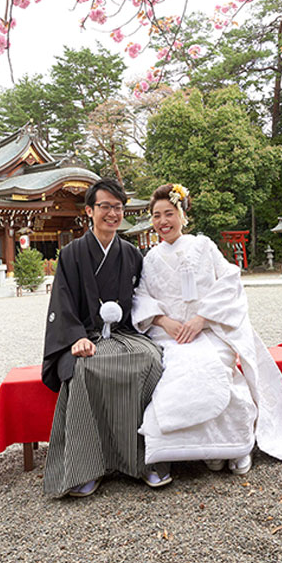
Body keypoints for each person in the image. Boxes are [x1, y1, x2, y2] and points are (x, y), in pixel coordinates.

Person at [131, 183, 282, 473]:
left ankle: (237, 444)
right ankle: (198, 451)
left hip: (210, 330)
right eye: (156, 215)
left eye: (169, 213)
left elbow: (229, 280)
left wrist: (203, 318)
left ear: (182, 214)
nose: (162, 222)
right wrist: (163, 321)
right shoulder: (150, 259)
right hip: (171, 336)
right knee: (176, 370)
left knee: (216, 367)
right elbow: (141, 297)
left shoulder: (203, 246)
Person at [42, 178, 171, 497]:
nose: (113, 214)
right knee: (85, 367)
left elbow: (144, 298)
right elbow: (62, 301)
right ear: (89, 211)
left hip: (126, 332)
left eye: (118, 207)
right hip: (85, 335)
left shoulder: (131, 254)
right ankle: (87, 467)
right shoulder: (71, 254)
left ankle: (147, 459)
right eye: (105, 207)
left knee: (151, 360)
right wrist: (74, 337)